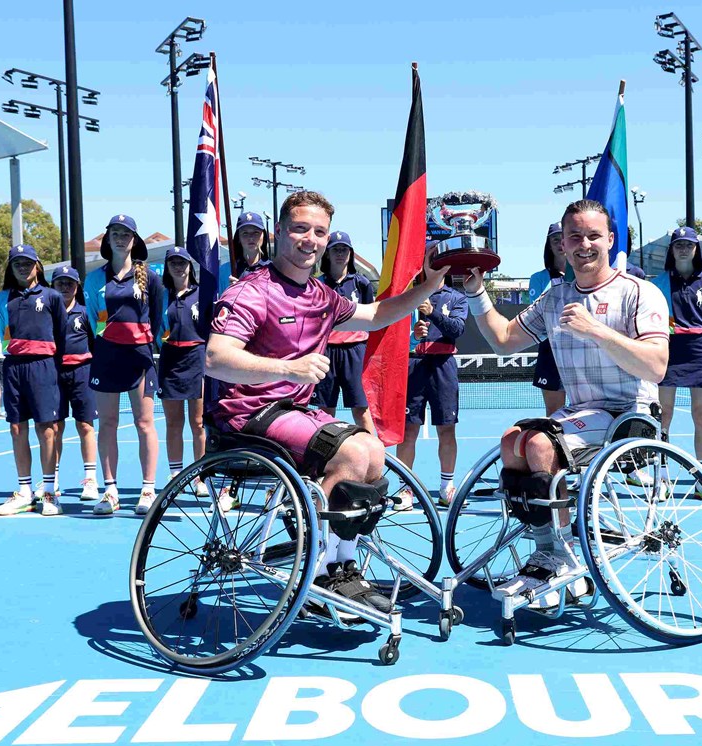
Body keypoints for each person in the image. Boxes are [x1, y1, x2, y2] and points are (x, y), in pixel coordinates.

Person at [204, 190, 449, 612]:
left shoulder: (321, 295)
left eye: (319, 232)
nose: (310, 239)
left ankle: (342, 563)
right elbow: (215, 358)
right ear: (278, 232)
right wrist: (289, 369)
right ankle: (319, 569)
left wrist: (428, 285)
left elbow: (374, 316)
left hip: (294, 413)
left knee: (372, 449)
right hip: (247, 416)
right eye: (300, 228)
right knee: (353, 454)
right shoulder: (251, 291)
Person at [460, 198, 669, 604]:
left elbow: (657, 366)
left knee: (538, 443)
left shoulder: (640, 293)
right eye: (575, 236)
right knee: (510, 440)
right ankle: (548, 549)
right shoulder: (556, 298)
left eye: (594, 236)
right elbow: (503, 341)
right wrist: (475, 292)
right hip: (582, 412)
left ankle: (562, 556)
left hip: (630, 415)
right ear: (562, 244)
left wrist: (597, 330)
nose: (584, 244)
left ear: (611, 239)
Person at [83, 214, 164, 516]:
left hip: (140, 357)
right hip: (106, 358)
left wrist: (140, 340)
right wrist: (110, 340)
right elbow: (93, 319)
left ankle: (148, 489)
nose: (120, 238)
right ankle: (110, 490)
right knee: (108, 423)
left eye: (126, 233)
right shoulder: (94, 279)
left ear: (134, 239)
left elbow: (157, 317)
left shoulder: (150, 276)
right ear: (107, 239)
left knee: (145, 423)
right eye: (115, 233)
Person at [0, 244, 67, 517]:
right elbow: (5, 334)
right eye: (17, 264)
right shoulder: (1, 299)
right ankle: (24, 492)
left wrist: (54, 369)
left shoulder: (52, 296)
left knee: (47, 430)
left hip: (44, 366)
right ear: (10, 269)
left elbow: (61, 335)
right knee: (16, 429)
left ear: (37, 266)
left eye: (27, 263)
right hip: (13, 367)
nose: (22, 268)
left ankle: (49, 492)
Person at [652, 226, 702, 495]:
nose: (683, 249)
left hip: (699, 349)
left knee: (701, 414)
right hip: (668, 348)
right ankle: (662, 475)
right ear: (672, 249)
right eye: (678, 244)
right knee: (663, 415)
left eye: (688, 245)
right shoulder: (659, 282)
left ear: (696, 249)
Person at [394, 270, 469, 508]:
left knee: (446, 431)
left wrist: (432, 313)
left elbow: (456, 330)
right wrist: (414, 338)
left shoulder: (457, 298)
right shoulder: (408, 295)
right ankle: (406, 489)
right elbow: (394, 333)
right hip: (413, 365)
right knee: (408, 432)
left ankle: (446, 488)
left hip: (443, 366)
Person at [157, 247, 208, 496]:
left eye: (183, 262)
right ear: (167, 267)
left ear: (190, 265)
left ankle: (200, 477)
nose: (178, 266)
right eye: (173, 262)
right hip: (170, 361)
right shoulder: (161, 296)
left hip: (196, 360)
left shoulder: (203, 294)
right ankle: (176, 474)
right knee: (173, 422)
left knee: (198, 423)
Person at [314, 231, 376, 434]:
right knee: (325, 411)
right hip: (326, 352)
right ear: (328, 254)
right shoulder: (317, 284)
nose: (340, 253)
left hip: (355, 352)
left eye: (344, 249)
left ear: (350, 253)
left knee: (361, 410)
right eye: (335, 249)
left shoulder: (362, 283)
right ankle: (324, 459)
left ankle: (375, 456)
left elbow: (371, 314)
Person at [49, 265, 100, 502]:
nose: (65, 287)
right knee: (54, 428)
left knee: (85, 426)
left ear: (77, 286)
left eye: (70, 283)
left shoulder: (86, 312)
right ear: (53, 286)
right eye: (60, 283)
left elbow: (97, 340)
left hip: (83, 372)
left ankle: (90, 480)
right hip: (54, 373)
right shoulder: (46, 312)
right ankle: (53, 479)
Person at [527, 222, 571, 415]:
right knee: (554, 412)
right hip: (551, 350)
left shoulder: (584, 275)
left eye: (565, 238)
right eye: (555, 240)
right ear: (549, 245)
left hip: (582, 348)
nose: (561, 243)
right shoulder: (538, 278)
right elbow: (538, 311)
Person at [231, 211, 271, 280]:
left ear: (263, 236)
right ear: (238, 238)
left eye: (256, 232)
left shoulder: (272, 270)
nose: (251, 238)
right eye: (245, 233)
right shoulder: (226, 270)